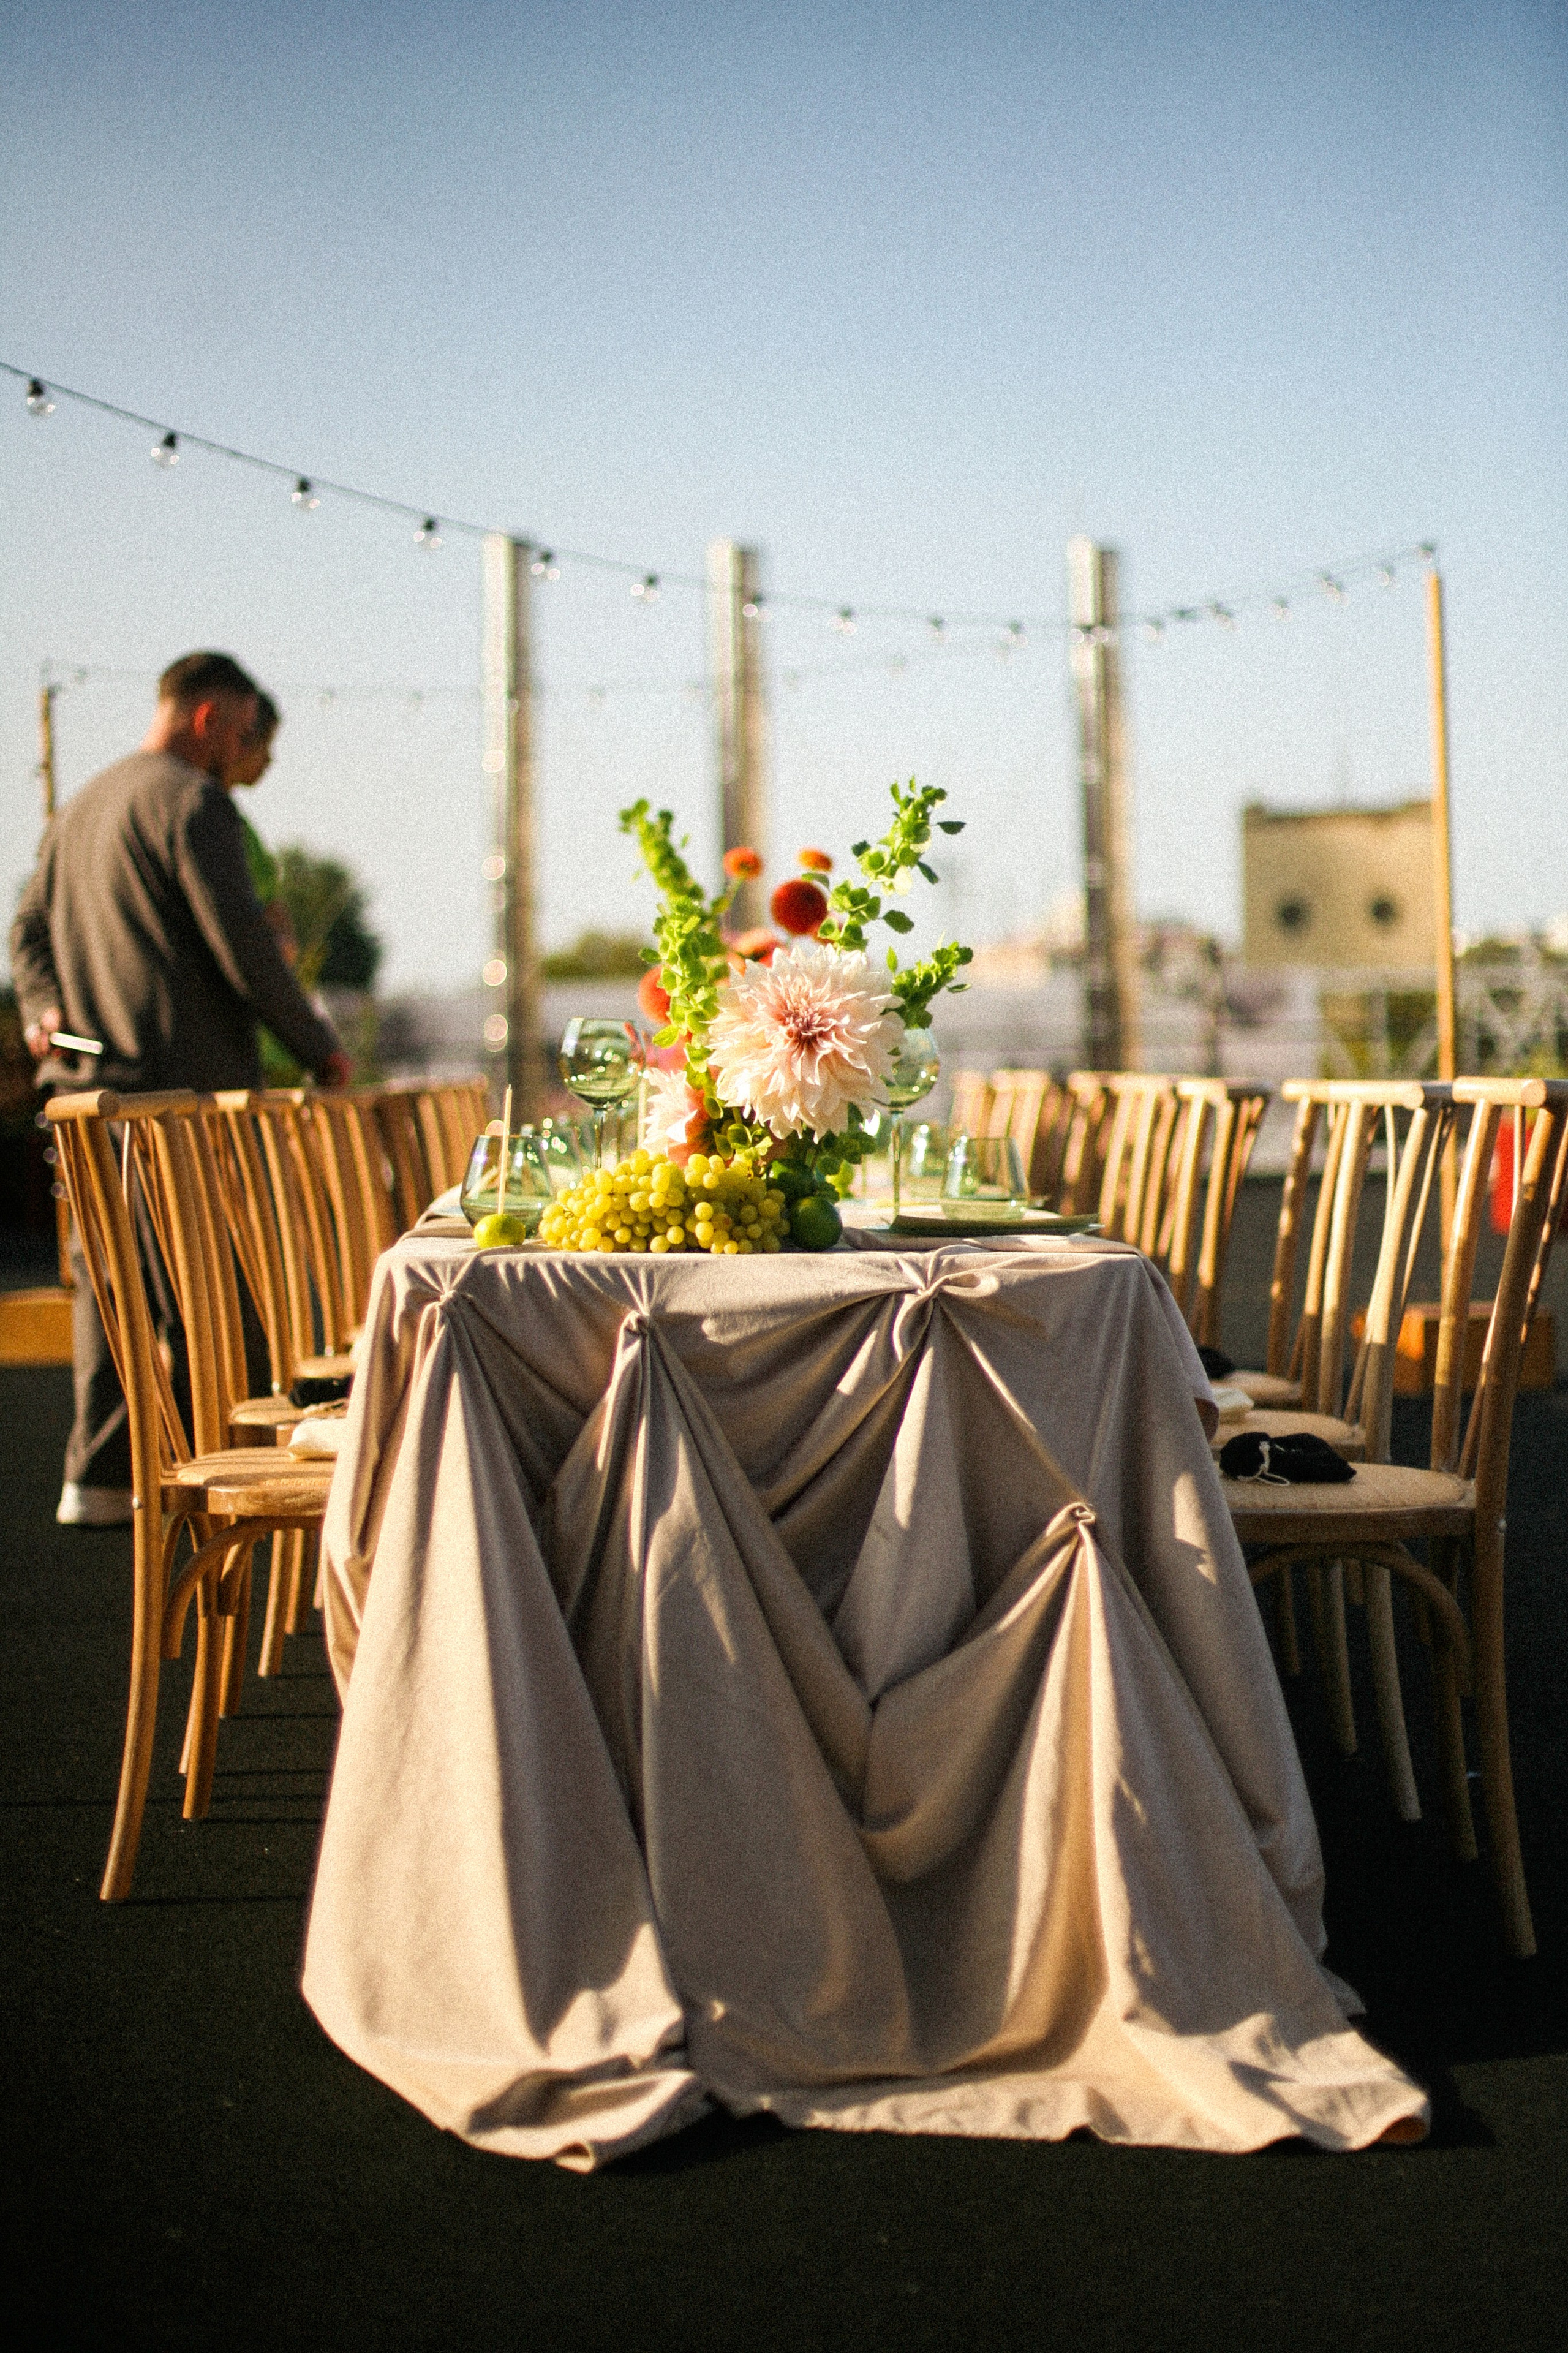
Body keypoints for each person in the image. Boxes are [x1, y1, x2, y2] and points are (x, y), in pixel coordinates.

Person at [10, 651, 352, 1524]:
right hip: (172, 1095)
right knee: (207, 1289)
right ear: (206, 717)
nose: (244, 751)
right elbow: (244, 950)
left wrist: (42, 1010)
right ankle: (222, 1475)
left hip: (83, 1088)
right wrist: (319, 1048)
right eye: (242, 730)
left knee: (108, 1280)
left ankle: (97, 1478)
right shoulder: (194, 804)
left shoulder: (81, 803)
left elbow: (27, 928)